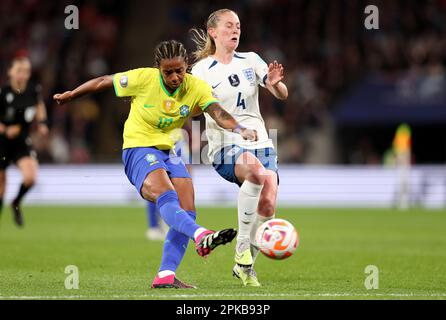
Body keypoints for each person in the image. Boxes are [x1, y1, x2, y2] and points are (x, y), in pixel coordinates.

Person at [54, 40, 258, 289]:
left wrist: (240, 128)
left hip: (169, 151)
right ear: (158, 69)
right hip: (138, 147)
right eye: (168, 72)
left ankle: (165, 275)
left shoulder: (196, 87)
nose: (174, 77)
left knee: (187, 206)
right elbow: (103, 81)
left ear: (187, 67)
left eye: (179, 71)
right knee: (167, 194)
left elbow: (217, 112)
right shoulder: (143, 78)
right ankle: (201, 235)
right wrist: (72, 95)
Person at [191, 9, 288, 286]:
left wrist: (275, 84)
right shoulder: (201, 71)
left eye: (239, 26)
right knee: (256, 174)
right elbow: (195, 109)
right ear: (213, 32)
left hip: (261, 141)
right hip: (225, 144)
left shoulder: (251, 60)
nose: (235, 30)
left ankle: (243, 267)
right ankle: (243, 248)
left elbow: (281, 94)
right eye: (229, 26)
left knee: (268, 205)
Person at [0, 54, 49, 227]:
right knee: (1, 184)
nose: (23, 74)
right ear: (10, 72)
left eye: (26, 71)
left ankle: (16, 202)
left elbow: (39, 105)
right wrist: (5, 129)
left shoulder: (32, 90)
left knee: (31, 178)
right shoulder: (3, 93)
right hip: (2, 143)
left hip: (21, 141)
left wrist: (42, 123)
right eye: (19, 70)